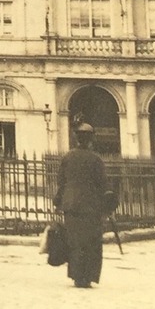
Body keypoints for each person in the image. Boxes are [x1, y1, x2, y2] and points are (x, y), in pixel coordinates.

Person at [53, 122, 113, 289]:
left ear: (76, 138)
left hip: (71, 205)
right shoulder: (96, 159)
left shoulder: (68, 157)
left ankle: (77, 276)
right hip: (91, 206)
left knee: (75, 241)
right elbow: (102, 184)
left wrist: (59, 200)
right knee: (91, 242)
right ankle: (88, 276)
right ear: (91, 139)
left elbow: (61, 181)